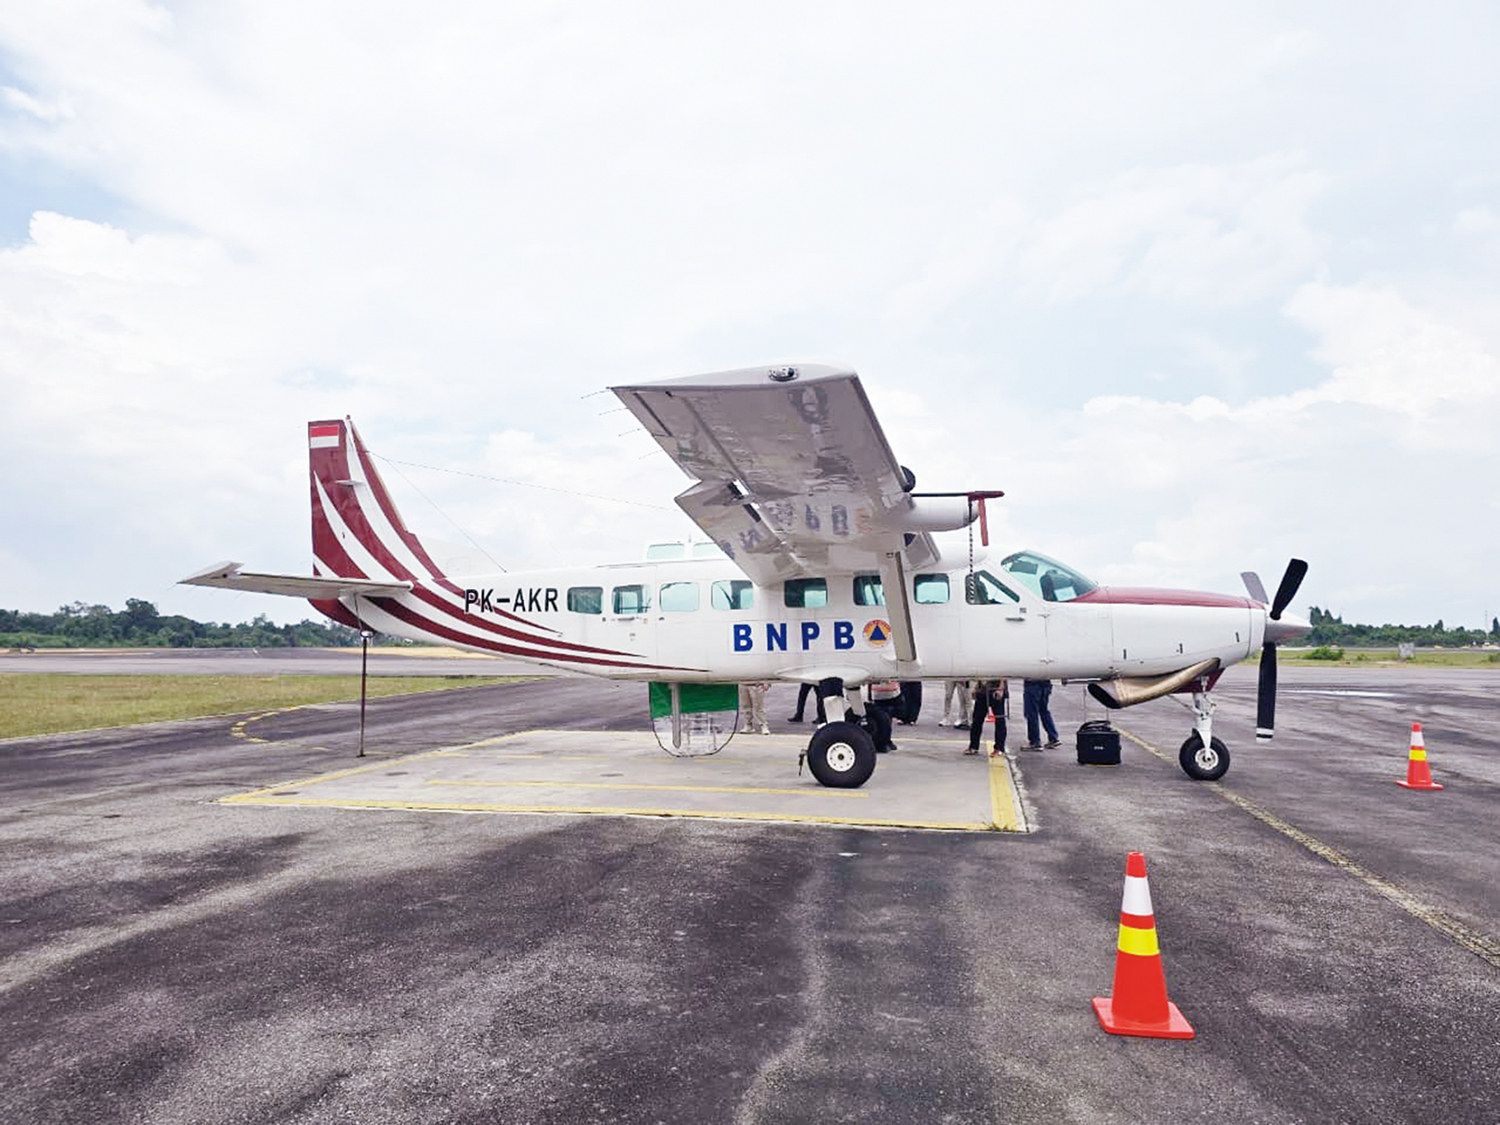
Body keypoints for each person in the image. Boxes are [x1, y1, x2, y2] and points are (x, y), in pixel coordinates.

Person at [966, 678, 1008, 756]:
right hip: (983, 691)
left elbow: (1003, 674)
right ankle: (973, 746)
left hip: (995, 688)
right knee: (977, 720)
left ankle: (999, 748)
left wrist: (1001, 688)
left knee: (999, 720)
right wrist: (976, 687)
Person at [1022, 678, 1060, 749]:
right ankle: (1053, 737)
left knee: (1032, 713)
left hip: (1032, 684)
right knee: (1044, 711)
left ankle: (1035, 741)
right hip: (1046, 684)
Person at [865, 679, 901, 752]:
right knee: (884, 720)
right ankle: (882, 743)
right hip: (881, 694)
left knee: (887, 720)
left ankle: (886, 740)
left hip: (891, 693)